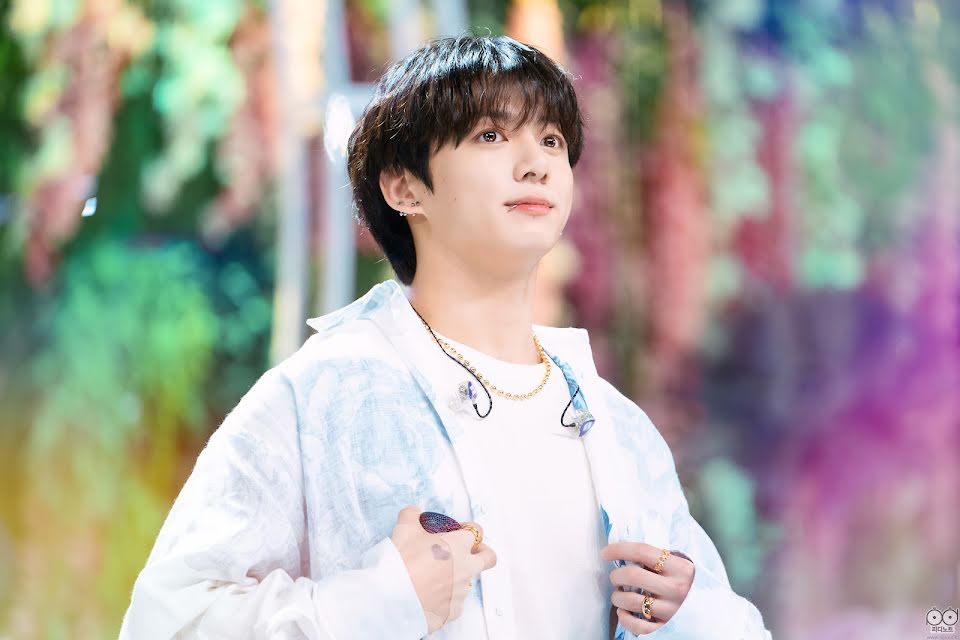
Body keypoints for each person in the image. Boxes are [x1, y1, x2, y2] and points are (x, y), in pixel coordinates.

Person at [120, 34, 773, 639]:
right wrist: (382, 600)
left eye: (552, 141)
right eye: (491, 135)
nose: (536, 165)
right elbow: (165, 621)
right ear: (404, 186)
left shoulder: (619, 430)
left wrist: (692, 615)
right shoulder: (322, 395)